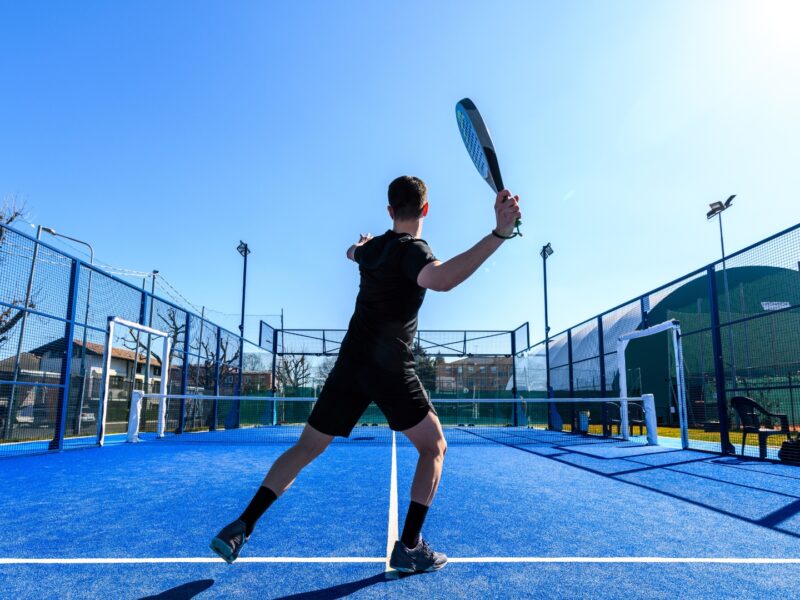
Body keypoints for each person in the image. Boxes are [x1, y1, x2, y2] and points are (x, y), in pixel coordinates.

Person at [210, 176, 522, 573]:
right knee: (434, 447)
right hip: (389, 367)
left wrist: (361, 243)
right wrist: (499, 233)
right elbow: (441, 279)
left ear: (391, 211)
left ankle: (243, 524)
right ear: (425, 210)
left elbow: (350, 251)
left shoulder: (371, 249)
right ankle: (410, 547)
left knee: (305, 448)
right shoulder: (413, 251)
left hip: (350, 364)